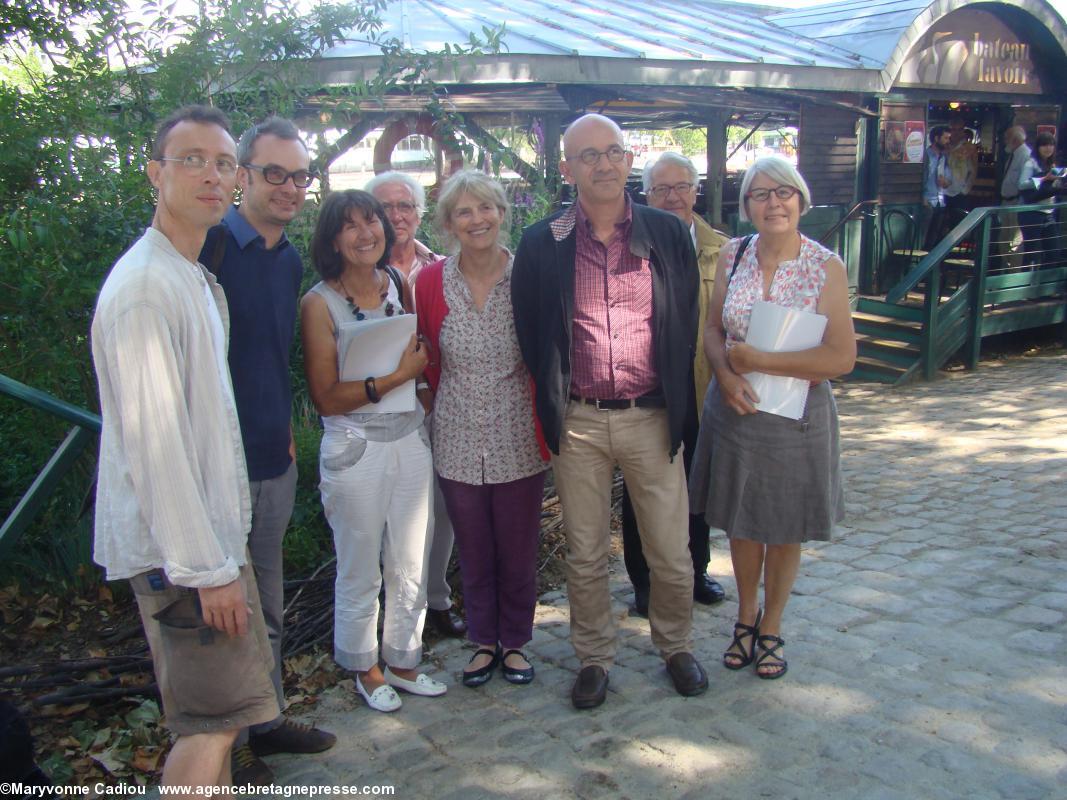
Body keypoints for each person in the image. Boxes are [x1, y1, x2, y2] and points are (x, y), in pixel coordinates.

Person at [91, 105, 278, 788]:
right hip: (187, 562)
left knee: (222, 723)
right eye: (191, 159)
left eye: (224, 162)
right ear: (154, 172)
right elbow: (156, 446)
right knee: (212, 724)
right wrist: (209, 570)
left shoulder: (188, 275)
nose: (211, 174)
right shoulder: (146, 290)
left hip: (208, 548)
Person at [512, 113, 709, 710]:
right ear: (566, 168)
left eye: (613, 152)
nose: (602, 164)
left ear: (629, 161)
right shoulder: (544, 241)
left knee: (672, 551)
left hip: (651, 415)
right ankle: (594, 657)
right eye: (587, 155)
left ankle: (674, 644)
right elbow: (531, 329)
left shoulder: (666, 233)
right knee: (585, 550)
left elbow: (685, 320)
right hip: (579, 420)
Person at [198, 117, 335, 784]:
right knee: (221, 616)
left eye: (298, 175)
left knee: (269, 603)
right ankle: (225, 750)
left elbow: (268, 357)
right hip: (213, 469)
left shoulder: (285, 260)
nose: (287, 187)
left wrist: (281, 427)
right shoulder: (207, 248)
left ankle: (266, 720)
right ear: (242, 175)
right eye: (273, 172)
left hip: (270, 460)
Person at [688, 155, 856, 680]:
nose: (773, 202)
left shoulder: (825, 266)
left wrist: (760, 360)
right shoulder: (734, 255)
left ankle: (773, 626)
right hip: (736, 408)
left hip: (796, 417)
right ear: (747, 207)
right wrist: (727, 373)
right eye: (760, 194)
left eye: (783, 192)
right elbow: (714, 331)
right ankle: (744, 617)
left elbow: (840, 358)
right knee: (741, 523)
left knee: (784, 528)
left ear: (801, 200)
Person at [301, 190, 446, 713]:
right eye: (351, 226)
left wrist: (421, 396)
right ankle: (365, 667)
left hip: (408, 437)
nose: (366, 234)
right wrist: (397, 378)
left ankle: (405, 660)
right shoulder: (318, 303)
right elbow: (326, 394)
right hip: (355, 445)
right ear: (333, 239)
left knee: (411, 558)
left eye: (372, 222)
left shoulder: (399, 283)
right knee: (360, 564)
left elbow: (417, 353)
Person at [415, 169, 549, 687]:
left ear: (502, 213)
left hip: (518, 434)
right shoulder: (429, 281)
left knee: (516, 545)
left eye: (487, 207)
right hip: (456, 436)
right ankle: (482, 640)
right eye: (465, 212)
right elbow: (423, 354)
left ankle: (514, 642)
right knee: (472, 546)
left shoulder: (528, 275)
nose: (478, 220)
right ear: (449, 224)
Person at [617, 152, 728, 617]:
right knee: (641, 492)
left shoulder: (723, 251)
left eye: (681, 186)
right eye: (661, 189)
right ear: (646, 195)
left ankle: (696, 568)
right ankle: (643, 582)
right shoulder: (626, 245)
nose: (673, 197)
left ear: (696, 191)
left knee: (694, 487)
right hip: (646, 394)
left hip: (700, 390)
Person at [365, 171, 466, 640]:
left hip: (440, 406)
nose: (397, 215)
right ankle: (397, 612)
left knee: (441, 510)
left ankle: (437, 601)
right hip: (384, 409)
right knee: (394, 517)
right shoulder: (358, 271)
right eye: (385, 207)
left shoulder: (443, 266)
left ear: (420, 212)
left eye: (405, 205)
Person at [1018, 131, 1064, 269]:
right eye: (1044, 145)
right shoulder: (1030, 163)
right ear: (1038, 147)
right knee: (1032, 253)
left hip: (1048, 212)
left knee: (1053, 252)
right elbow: (1021, 184)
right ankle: (1025, 286)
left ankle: (1042, 287)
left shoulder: (1052, 165)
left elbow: (1053, 188)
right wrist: (1044, 178)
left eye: (1051, 145)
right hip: (1031, 213)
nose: (1048, 148)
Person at [999, 126, 1030, 270]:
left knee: (1015, 242)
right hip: (1006, 202)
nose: (1005, 141)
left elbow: (1024, 183)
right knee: (1003, 240)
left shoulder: (1026, 155)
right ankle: (1004, 271)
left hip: (1016, 203)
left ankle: (1012, 275)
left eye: (1007, 138)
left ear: (1015, 139)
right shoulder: (1013, 154)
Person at [922, 125, 953, 250]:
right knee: (923, 237)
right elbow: (920, 179)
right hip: (928, 201)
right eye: (945, 138)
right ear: (936, 138)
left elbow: (949, 180)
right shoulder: (926, 156)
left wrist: (945, 182)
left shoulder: (944, 157)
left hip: (940, 201)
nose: (948, 141)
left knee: (934, 239)